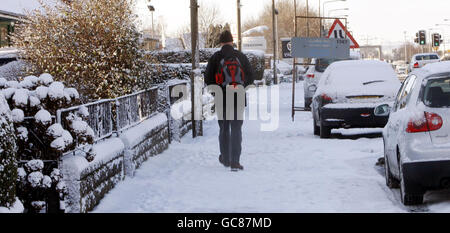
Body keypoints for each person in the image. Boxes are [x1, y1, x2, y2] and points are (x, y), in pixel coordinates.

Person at [204, 30, 254, 171]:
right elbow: (250, 77)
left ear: (221, 42)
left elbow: (208, 79)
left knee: (224, 128)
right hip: (238, 96)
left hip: (222, 97)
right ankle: (235, 161)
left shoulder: (216, 57)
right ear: (232, 42)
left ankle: (225, 158)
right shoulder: (240, 56)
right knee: (236, 129)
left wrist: (217, 92)